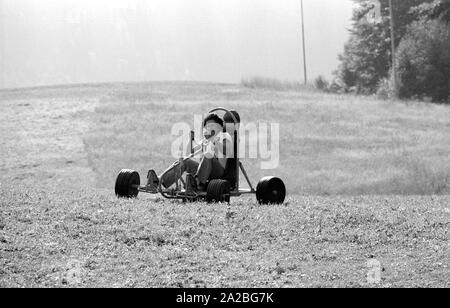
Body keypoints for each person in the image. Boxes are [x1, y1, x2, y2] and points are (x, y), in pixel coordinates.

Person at [147, 113, 233, 192]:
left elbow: (226, 151)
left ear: (219, 126)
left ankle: (197, 183)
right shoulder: (206, 139)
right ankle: (158, 181)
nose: (209, 128)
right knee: (186, 162)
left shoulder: (224, 136)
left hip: (219, 173)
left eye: (212, 125)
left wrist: (214, 141)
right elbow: (191, 152)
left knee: (208, 155)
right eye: (207, 126)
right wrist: (190, 139)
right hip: (205, 173)